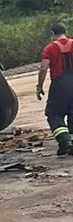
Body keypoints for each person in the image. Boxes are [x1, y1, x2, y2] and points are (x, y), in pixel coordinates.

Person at [37, 21, 73, 154]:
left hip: (59, 85)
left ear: (52, 34)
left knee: (54, 113)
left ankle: (64, 141)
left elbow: (43, 68)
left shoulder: (49, 48)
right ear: (66, 32)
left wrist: (39, 86)